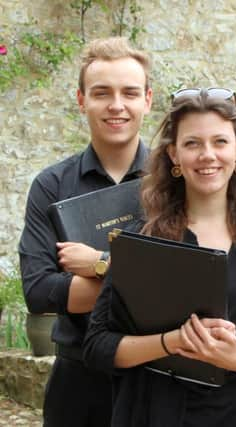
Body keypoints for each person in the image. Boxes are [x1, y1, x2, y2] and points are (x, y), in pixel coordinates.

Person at [83, 90, 236, 427]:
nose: (207, 155)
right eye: (193, 144)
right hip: (155, 413)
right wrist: (172, 342)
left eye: (220, 142)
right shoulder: (142, 239)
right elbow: (98, 345)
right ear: (173, 155)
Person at [18, 37, 153, 427]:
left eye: (129, 92)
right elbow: (39, 292)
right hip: (76, 383)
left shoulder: (172, 181)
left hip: (154, 379)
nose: (116, 105)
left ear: (147, 99)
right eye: (101, 93)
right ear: (81, 100)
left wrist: (97, 266)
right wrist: (142, 286)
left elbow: (183, 285)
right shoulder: (51, 185)